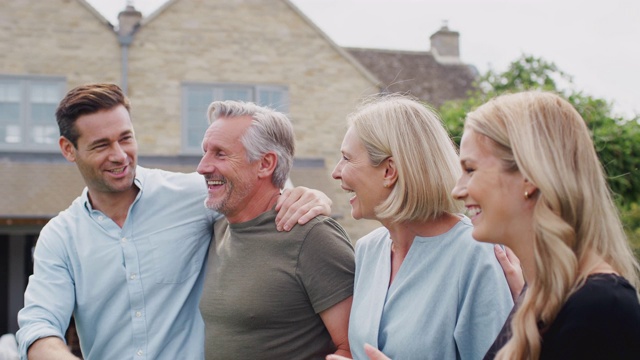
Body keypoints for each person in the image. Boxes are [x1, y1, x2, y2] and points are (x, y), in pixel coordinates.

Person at [16, 83, 332, 360]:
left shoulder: (195, 195)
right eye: (101, 145)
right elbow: (39, 327)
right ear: (68, 150)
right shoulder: (60, 237)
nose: (120, 155)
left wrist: (310, 196)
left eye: (125, 138)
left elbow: (264, 191)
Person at [452, 91, 640, 359]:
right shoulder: (540, 295)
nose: (457, 190)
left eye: (470, 170)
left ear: (529, 176)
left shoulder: (602, 308)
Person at [328, 95, 513, 360]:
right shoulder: (368, 250)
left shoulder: (475, 255)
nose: (336, 172)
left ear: (389, 171)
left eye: (347, 158)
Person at [197, 100, 355, 359]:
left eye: (220, 153)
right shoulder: (216, 230)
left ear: (265, 164)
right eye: (205, 152)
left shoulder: (313, 236)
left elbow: (353, 349)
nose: (202, 166)